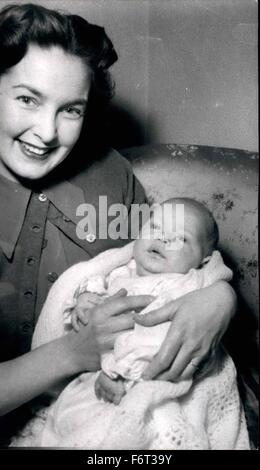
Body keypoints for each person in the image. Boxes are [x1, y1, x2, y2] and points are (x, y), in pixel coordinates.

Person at [0, 3, 237, 446]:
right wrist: (72, 351)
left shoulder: (110, 175)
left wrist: (220, 297)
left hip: (110, 410)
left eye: (71, 109)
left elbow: (170, 252)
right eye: (27, 99)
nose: (47, 132)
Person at [11, 198, 249, 449]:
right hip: (98, 372)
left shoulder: (188, 285)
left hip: (153, 374)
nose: (163, 239)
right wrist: (83, 302)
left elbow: (166, 339)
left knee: (150, 429)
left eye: (181, 238)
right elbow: (88, 289)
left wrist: (121, 371)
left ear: (202, 261)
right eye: (156, 228)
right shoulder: (120, 270)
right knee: (73, 419)